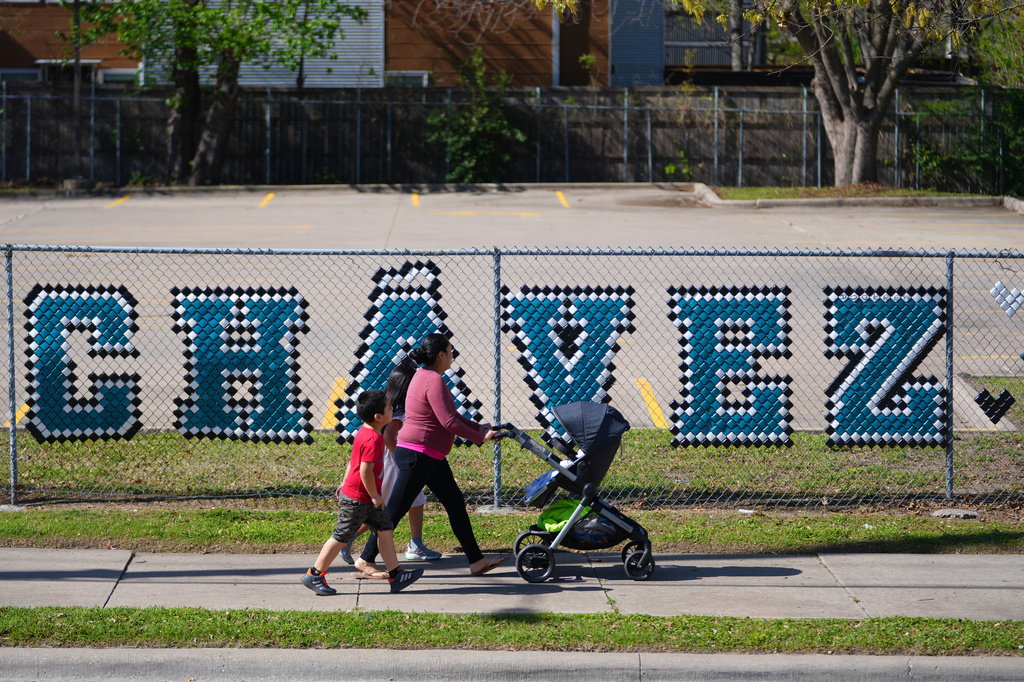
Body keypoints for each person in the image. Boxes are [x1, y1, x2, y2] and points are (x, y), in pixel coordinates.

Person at [354, 333, 508, 578]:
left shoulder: (425, 376)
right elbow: (448, 422)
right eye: (450, 350)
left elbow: (450, 415)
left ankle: (476, 560)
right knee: (394, 511)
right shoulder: (433, 380)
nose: (452, 356)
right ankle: (365, 558)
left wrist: (478, 427)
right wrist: (480, 438)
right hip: (418, 456)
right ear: (441, 355)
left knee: (455, 504)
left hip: (429, 456)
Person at [301, 389, 424, 595]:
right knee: (341, 536)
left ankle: (396, 575)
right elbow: (365, 470)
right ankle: (314, 574)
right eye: (388, 407)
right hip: (359, 499)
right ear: (378, 417)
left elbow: (353, 461)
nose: (392, 408)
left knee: (385, 530)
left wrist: (345, 481)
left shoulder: (366, 431)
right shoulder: (373, 440)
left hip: (365, 497)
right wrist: (375, 495)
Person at [339, 357, 443, 565]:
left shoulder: (393, 404)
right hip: (393, 462)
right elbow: (388, 437)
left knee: (416, 501)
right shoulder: (399, 410)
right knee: (385, 509)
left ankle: (416, 544)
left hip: (396, 459)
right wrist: (400, 460)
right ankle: (348, 538)